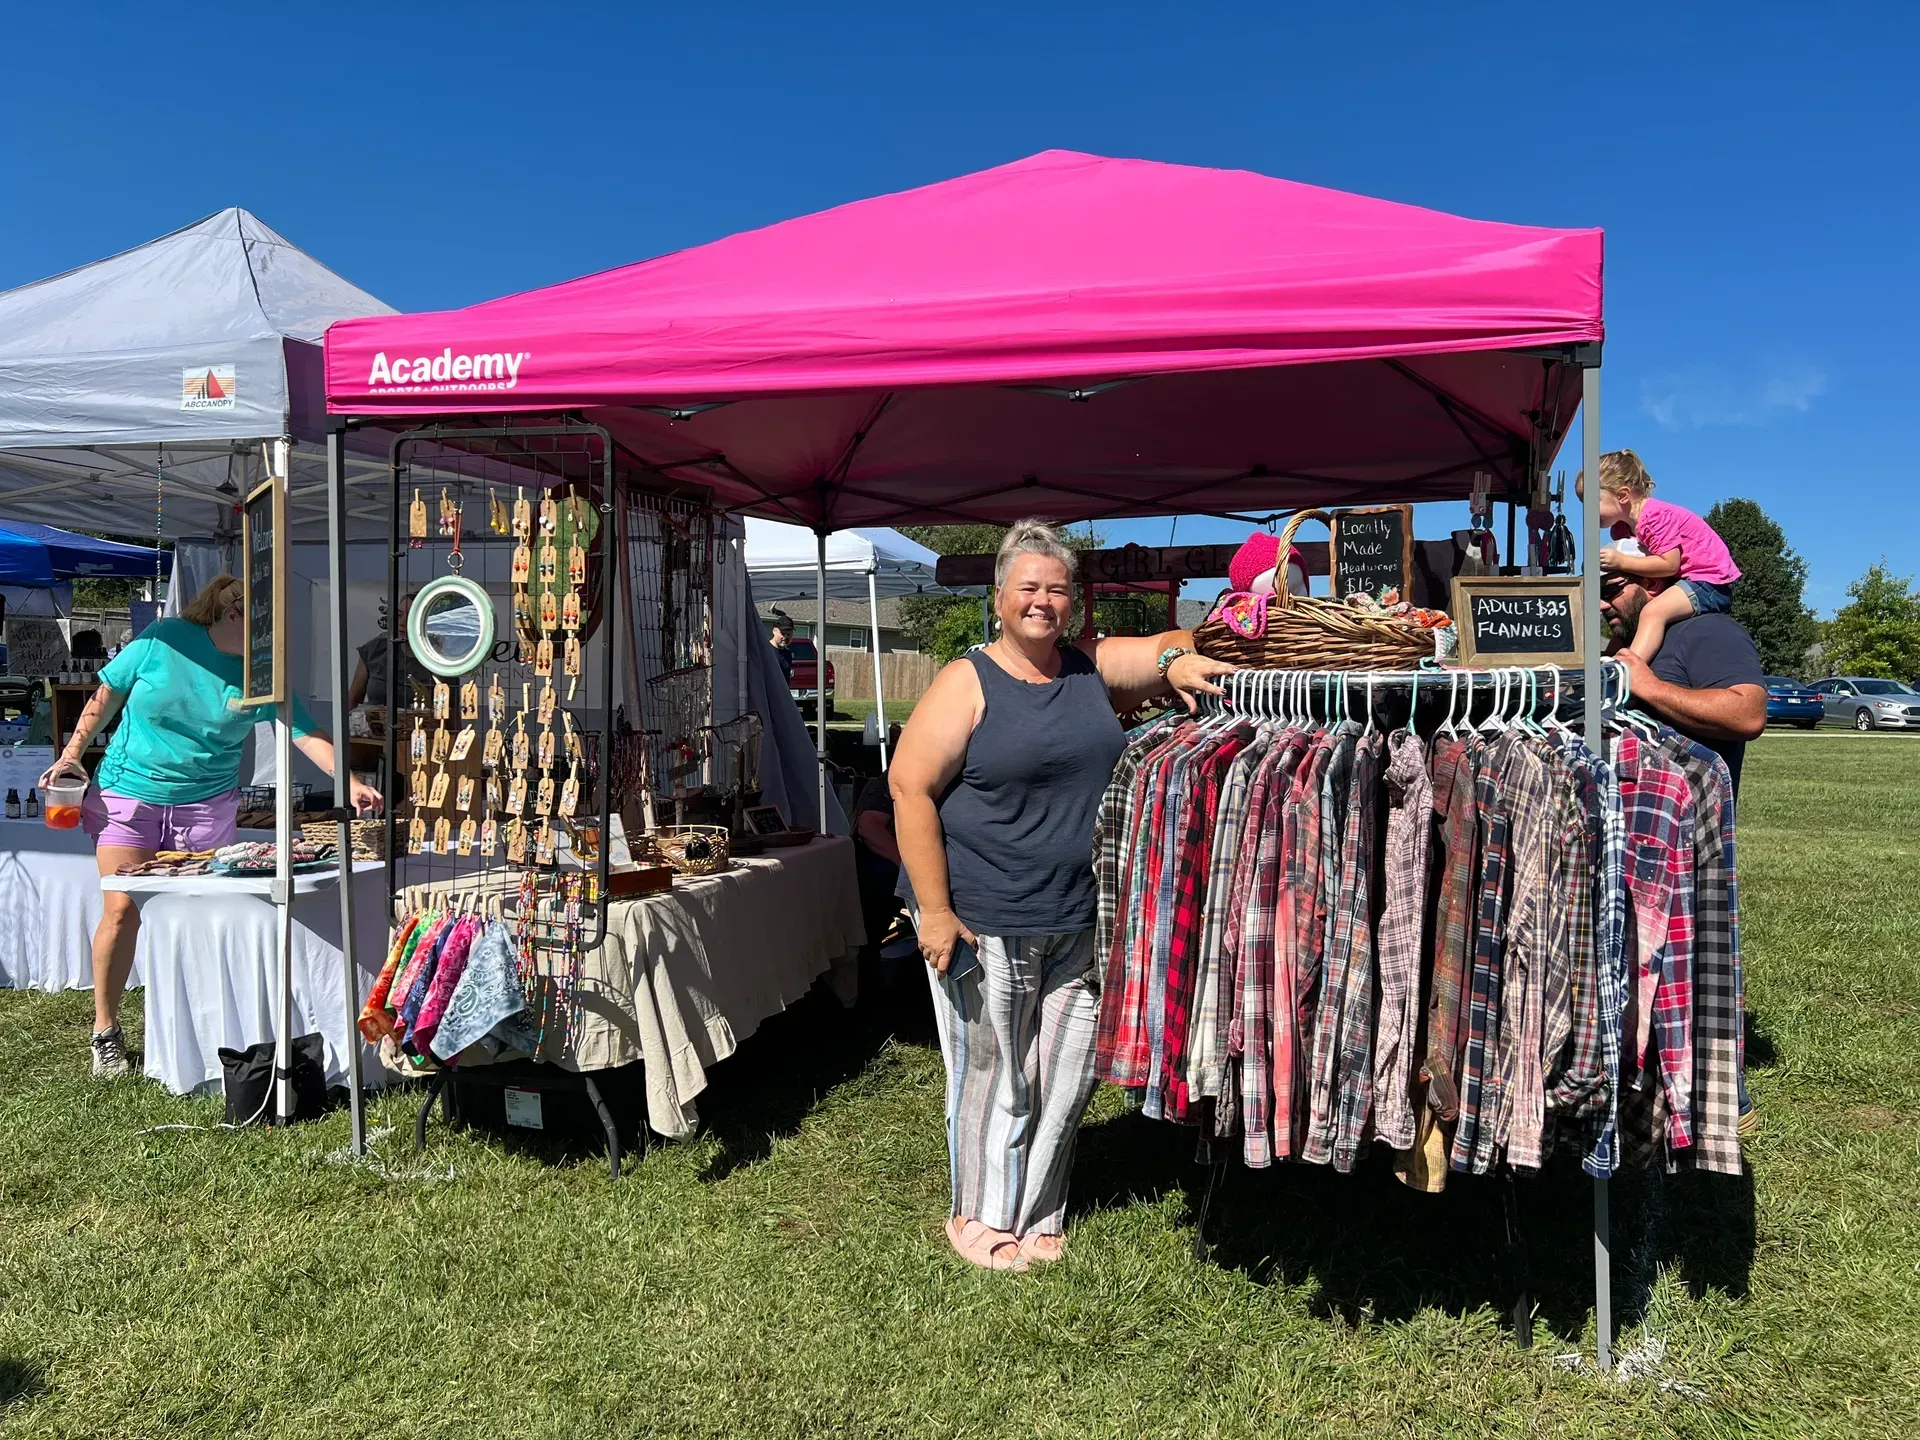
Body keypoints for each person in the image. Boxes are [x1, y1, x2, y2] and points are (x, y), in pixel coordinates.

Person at [889, 519, 1233, 1271]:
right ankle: (979, 1215)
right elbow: (908, 787)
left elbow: (1166, 643)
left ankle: (1041, 1206)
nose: (1042, 601)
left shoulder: (1088, 668)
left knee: (1068, 1073)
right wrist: (936, 911)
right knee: (995, 1073)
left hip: (1080, 918)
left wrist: (1176, 660)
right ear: (1000, 596)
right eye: (1029, 588)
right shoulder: (966, 680)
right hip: (987, 916)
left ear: (1072, 602)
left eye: (1056, 589)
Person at [38, 575, 384, 1080]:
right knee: (121, 910)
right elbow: (105, 696)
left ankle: (197, 1033)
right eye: (263, 624)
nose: (271, 635)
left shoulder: (263, 670)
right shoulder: (163, 639)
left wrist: (348, 780)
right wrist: (71, 755)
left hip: (206, 805)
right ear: (232, 614)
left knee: (202, 915)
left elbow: (306, 735)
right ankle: (106, 1031)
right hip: (129, 795)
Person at [1582, 449, 1742, 665]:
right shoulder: (1624, 528)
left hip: (1711, 581)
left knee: (1652, 612)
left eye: (1592, 504)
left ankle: (1631, 670)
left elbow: (1669, 564)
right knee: (1629, 617)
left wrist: (1621, 561)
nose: (1587, 513)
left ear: (1622, 495)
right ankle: (1607, 660)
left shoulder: (1653, 518)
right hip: (1688, 579)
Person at [346, 597, 429, 711]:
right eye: (399, 615)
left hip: (422, 727)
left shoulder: (439, 658)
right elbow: (352, 700)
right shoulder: (375, 649)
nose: (402, 622)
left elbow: (450, 712)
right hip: (376, 727)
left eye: (411, 617)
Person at [768, 613, 795, 687]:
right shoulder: (764, 651)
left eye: (789, 634)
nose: (785, 637)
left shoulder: (787, 653)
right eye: (782, 633)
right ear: (774, 631)